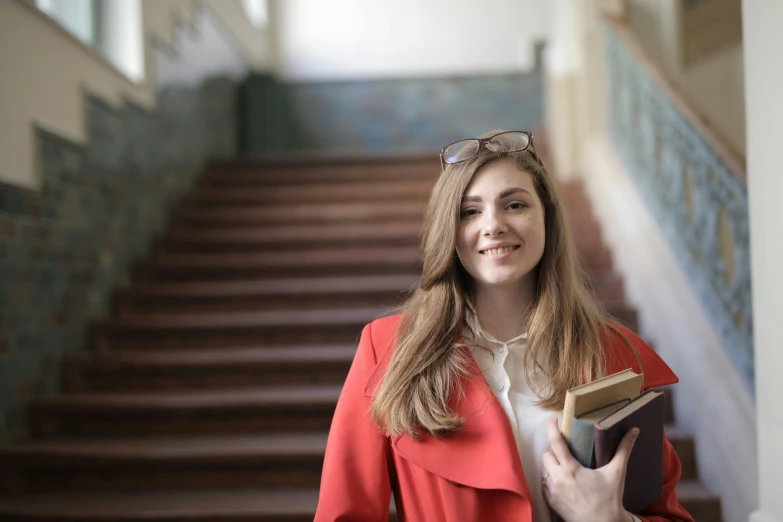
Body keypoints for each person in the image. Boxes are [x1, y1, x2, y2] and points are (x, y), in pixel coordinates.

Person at [314, 130, 694, 522]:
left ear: (546, 216)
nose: (493, 225)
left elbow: (665, 513)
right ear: (449, 230)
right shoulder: (388, 348)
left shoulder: (611, 351)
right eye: (470, 211)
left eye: (514, 204)